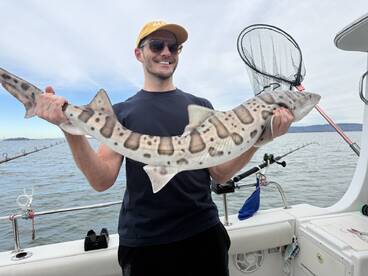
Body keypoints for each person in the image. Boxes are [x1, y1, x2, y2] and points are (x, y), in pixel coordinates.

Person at [34, 20, 294, 276]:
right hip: (145, 244)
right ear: (139, 53)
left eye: (174, 46)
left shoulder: (200, 107)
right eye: (157, 45)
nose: (166, 52)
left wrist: (260, 138)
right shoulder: (121, 112)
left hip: (204, 234)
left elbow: (220, 173)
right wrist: (69, 129)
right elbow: (101, 180)